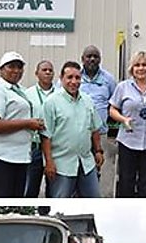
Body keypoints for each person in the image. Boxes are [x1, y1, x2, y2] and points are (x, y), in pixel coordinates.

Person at [0, 51, 45, 197]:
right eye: (11, 67)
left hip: (19, 156)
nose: (16, 71)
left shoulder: (22, 91)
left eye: (19, 67)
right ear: (1, 69)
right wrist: (27, 123)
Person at [40, 61, 104, 198]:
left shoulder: (88, 101)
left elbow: (94, 129)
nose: (74, 82)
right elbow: (46, 136)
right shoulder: (51, 103)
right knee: (60, 204)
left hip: (86, 162)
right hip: (62, 165)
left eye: (77, 78)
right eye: (69, 77)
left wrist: (98, 150)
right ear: (61, 78)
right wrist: (49, 162)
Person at [109, 51, 146, 197]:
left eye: (144, 65)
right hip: (128, 141)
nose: (141, 68)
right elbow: (112, 109)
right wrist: (123, 119)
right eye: (137, 65)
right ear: (132, 68)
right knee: (127, 182)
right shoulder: (123, 87)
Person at [24, 60, 57, 197]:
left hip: (54, 148)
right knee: (30, 188)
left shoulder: (60, 94)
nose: (48, 72)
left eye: (50, 70)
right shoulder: (27, 94)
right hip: (35, 147)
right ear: (36, 73)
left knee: (53, 189)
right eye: (44, 70)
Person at [80, 45, 117, 135]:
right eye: (89, 56)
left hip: (101, 132)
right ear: (82, 59)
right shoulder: (74, 77)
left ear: (100, 60)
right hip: (79, 134)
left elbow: (115, 103)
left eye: (95, 57)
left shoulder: (109, 79)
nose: (92, 59)